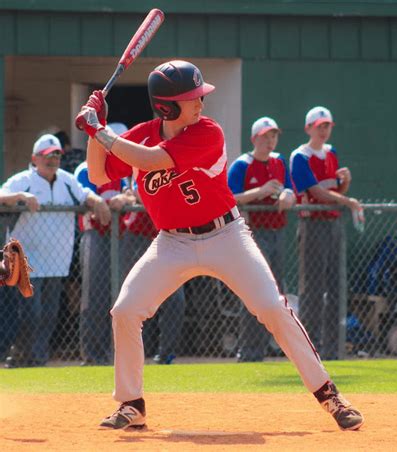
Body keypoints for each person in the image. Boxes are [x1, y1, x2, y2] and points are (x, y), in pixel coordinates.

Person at [75, 60, 363, 431]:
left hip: (226, 236)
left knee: (272, 308)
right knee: (126, 311)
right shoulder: (140, 134)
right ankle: (132, 403)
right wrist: (92, 128)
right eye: (192, 98)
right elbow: (99, 173)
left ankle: (330, 395)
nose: (201, 102)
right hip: (172, 242)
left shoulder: (207, 132)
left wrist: (100, 130)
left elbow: (148, 160)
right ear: (166, 106)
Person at [0, 133, 110, 367]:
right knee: (30, 313)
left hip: (57, 260)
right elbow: (1, 195)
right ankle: (21, 357)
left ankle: (37, 359)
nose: (53, 160)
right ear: (35, 158)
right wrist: (19, 196)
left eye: (58, 155)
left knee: (49, 313)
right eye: (48, 156)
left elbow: (84, 193)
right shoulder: (23, 180)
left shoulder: (67, 180)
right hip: (26, 261)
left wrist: (97, 201)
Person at [290, 106, 362, 360]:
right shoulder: (300, 155)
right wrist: (349, 201)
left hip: (333, 224)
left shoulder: (331, 153)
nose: (323, 130)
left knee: (334, 289)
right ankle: (308, 349)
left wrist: (346, 183)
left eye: (327, 125)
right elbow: (317, 193)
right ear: (308, 128)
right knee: (312, 290)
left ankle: (332, 350)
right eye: (318, 126)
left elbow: (334, 192)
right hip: (313, 226)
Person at [228, 116, 295, 362]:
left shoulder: (279, 162)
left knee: (276, 292)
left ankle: (274, 347)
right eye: (266, 136)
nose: (270, 141)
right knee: (254, 291)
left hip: (277, 232)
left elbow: (290, 188)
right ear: (254, 138)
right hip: (251, 234)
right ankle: (249, 351)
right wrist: (261, 191)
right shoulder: (242, 165)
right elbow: (229, 198)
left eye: (274, 136)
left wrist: (288, 195)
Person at [74, 125, 131, 366]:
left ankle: (116, 354)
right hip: (94, 234)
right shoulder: (86, 167)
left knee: (121, 299)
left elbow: (134, 192)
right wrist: (99, 201)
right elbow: (81, 192)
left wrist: (125, 198)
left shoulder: (124, 169)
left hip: (119, 235)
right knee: (94, 297)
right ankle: (93, 355)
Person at [120, 182, 186, 365]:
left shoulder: (176, 170)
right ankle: (130, 355)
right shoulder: (141, 166)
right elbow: (141, 194)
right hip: (137, 239)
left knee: (175, 300)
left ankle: (166, 355)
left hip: (170, 239)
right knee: (132, 300)